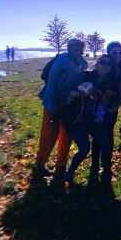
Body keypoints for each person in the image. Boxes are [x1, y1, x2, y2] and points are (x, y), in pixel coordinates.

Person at [34, 39, 87, 178]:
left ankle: (61, 167)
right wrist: (51, 109)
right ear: (68, 48)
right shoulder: (60, 63)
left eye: (80, 47)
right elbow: (51, 86)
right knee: (49, 136)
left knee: (66, 136)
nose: (78, 50)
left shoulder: (82, 63)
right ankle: (39, 166)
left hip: (69, 106)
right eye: (74, 47)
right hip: (54, 104)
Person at [63, 55, 117, 189]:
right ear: (97, 64)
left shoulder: (110, 83)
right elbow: (67, 92)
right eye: (103, 62)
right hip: (76, 118)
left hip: (94, 120)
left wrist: (109, 101)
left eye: (109, 64)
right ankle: (69, 174)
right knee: (84, 148)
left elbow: (113, 100)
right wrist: (83, 94)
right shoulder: (85, 76)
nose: (106, 65)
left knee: (106, 144)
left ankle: (106, 172)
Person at [90, 41, 121, 178]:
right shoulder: (105, 64)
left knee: (108, 134)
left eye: (120, 52)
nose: (117, 55)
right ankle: (94, 165)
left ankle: (106, 166)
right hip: (97, 105)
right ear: (108, 53)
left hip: (112, 105)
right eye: (114, 52)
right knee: (97, 135)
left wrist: (115, 106)